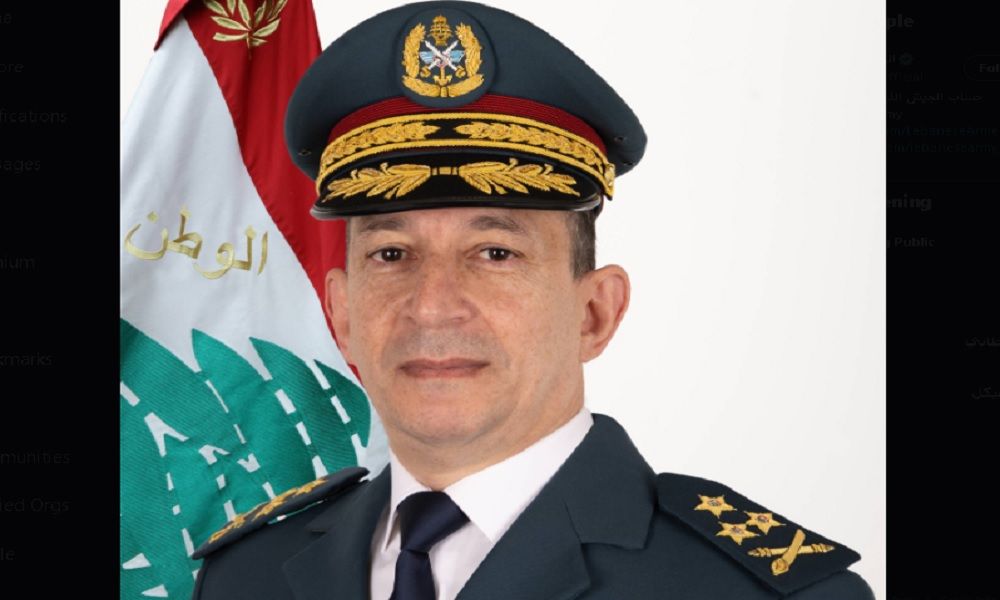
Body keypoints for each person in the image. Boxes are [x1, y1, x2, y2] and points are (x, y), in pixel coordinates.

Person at [191, 1, 875, 598]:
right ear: (341, 314)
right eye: (391, 255)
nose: (432, 307)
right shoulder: (246, 577)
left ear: (595, 314)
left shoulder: (753, 592)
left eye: (495, 254)